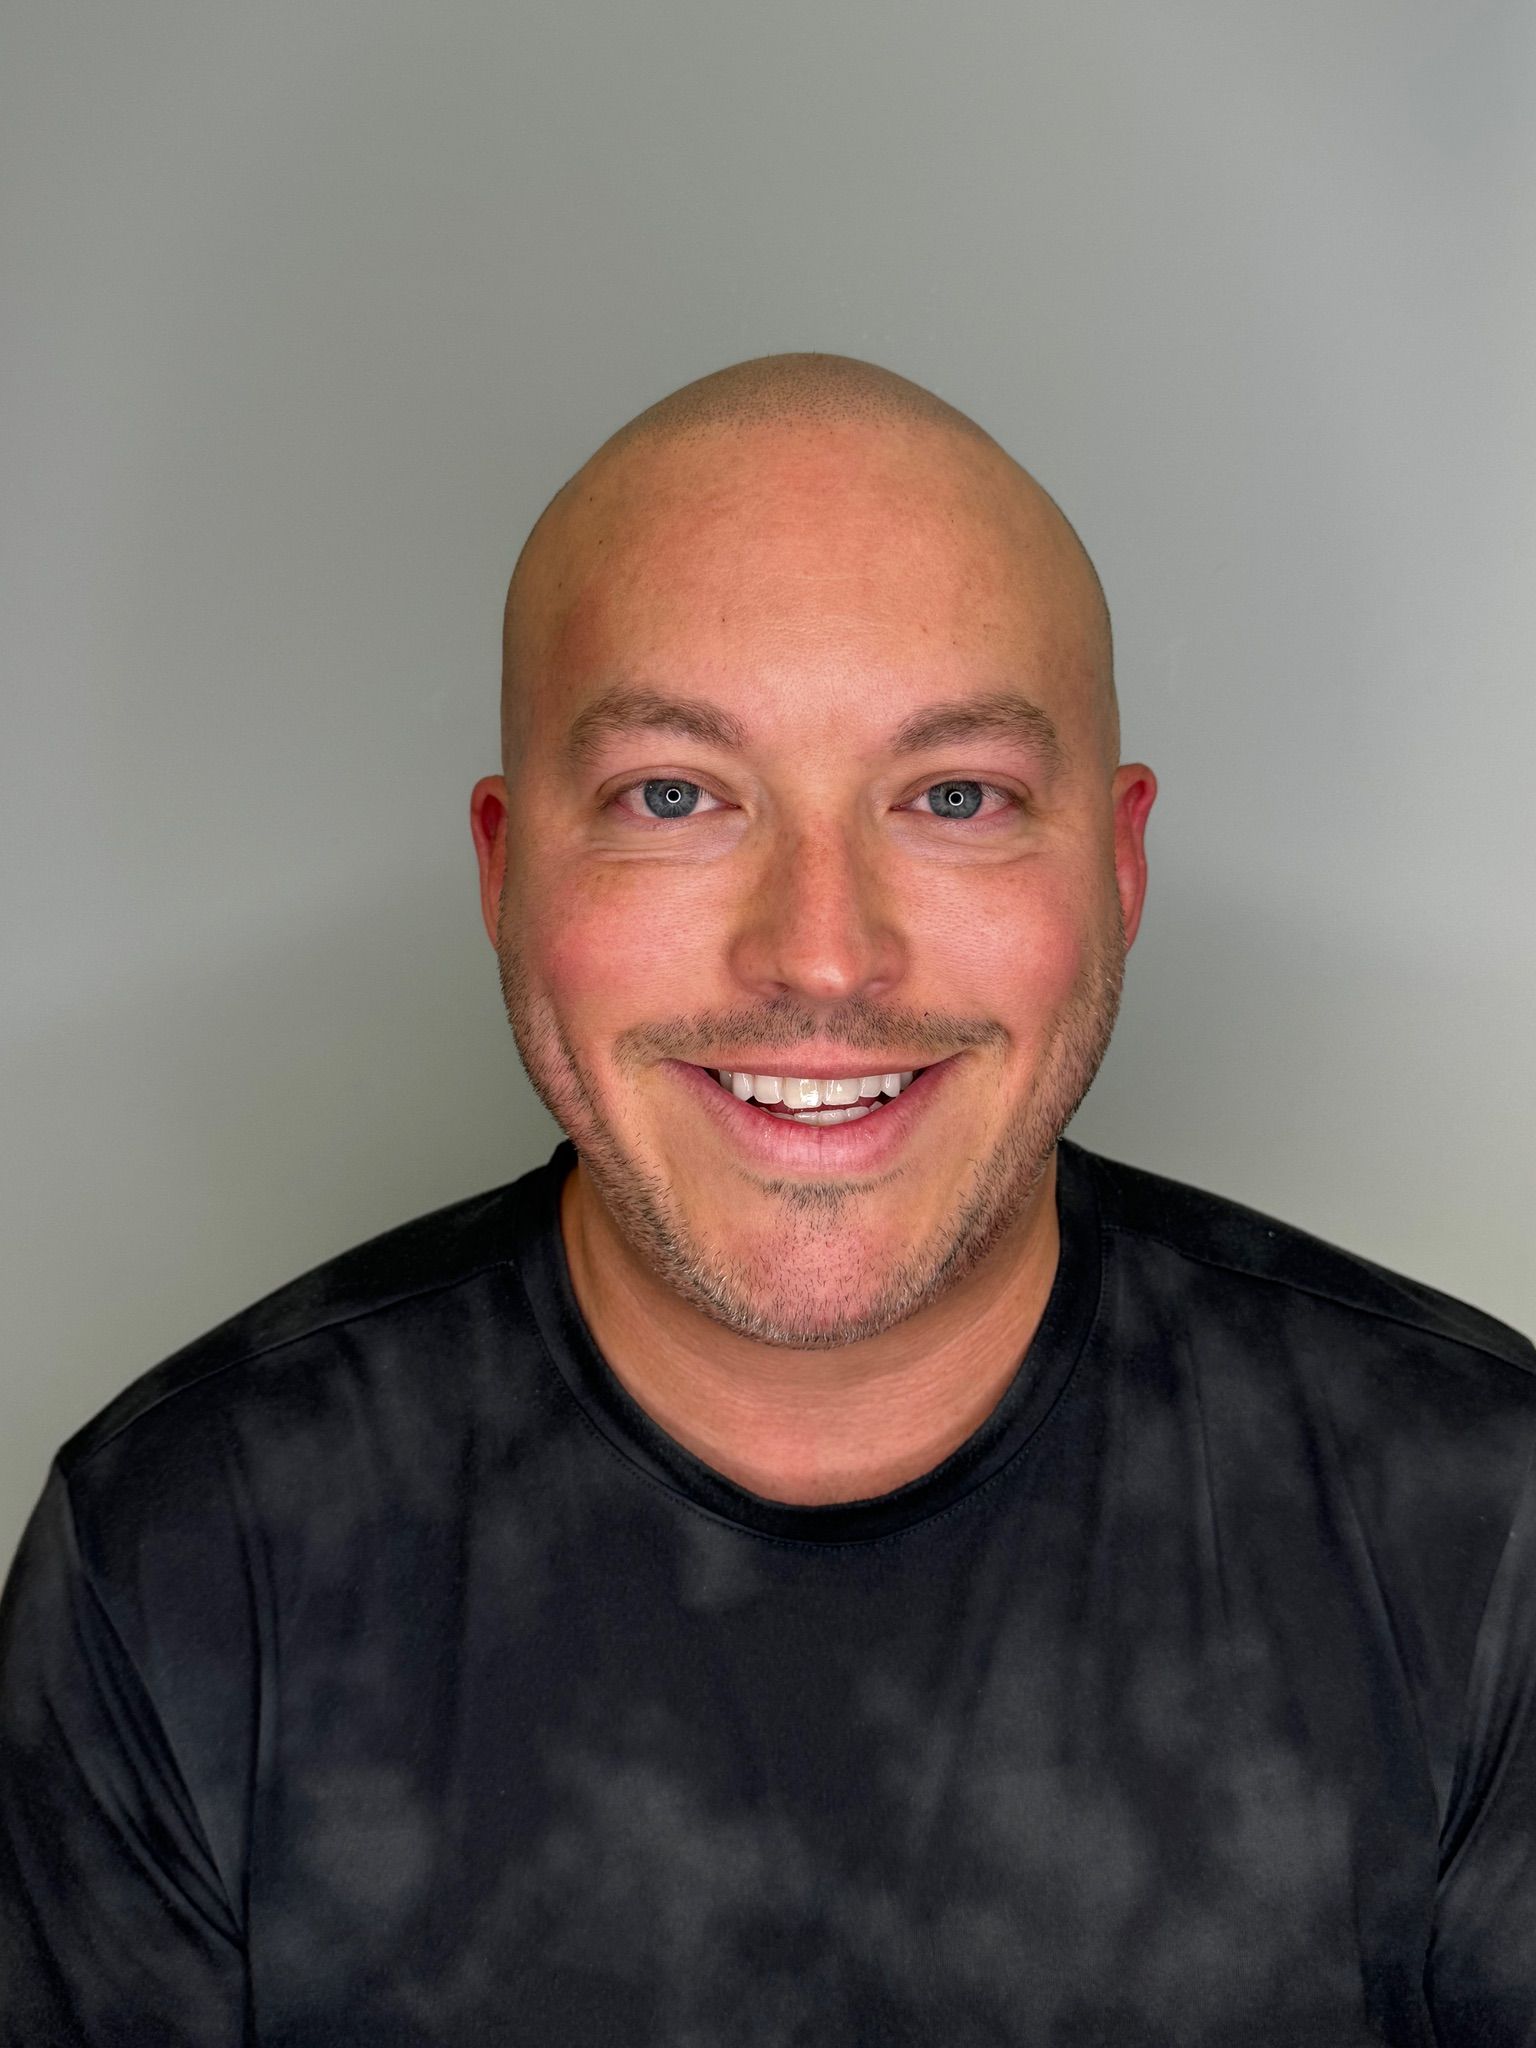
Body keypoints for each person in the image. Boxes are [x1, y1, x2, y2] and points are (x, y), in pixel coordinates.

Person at [1, 353, 1531, 2047]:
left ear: (1118, 865)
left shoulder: (1484, 1527)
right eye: (677, 797)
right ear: (508, 874)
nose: (821, 953)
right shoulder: (187, 1557)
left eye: (953, 798)